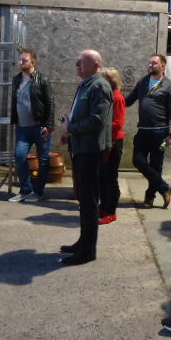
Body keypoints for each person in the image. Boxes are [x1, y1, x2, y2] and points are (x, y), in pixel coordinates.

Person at [59, 50, 112, 265]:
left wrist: (71, 129)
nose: (76, 64)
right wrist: (68, 131)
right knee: (84, 199)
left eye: (81, 61)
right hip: (81, 148)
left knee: (89, 201)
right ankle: (83, 242)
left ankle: (88, 251)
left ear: (95, 65)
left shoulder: (100, 86)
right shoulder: (86, 84)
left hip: (90, 151)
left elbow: (97, 121)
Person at [125, 54, 171, 209]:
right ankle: (164, 187)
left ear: (163, 66)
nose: (150, 65)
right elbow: (129, 100)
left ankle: (150, 197)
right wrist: (114, 101)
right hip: (143, 131)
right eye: (150, 63)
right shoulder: (143, 82)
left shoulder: (169, 86)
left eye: (154, 63)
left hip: (160, 132)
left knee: (156, 166)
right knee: (138, 161)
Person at [8, 48, 55, 203]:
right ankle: (25, 189)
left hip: (40, 127)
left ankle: (38, 192)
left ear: (33, 62)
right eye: (20, 60)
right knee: (19, 156)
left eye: (24, 60)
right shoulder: (16, 79)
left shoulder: (42, 79)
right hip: (22, 128)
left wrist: (49, 125)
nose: (20, 62)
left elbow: (50, 102)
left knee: (43, 160)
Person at [98, 68, 125, 224]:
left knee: (110, 178)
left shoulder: (117, 98)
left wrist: (100, 125)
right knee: (102, 177)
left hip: (114, 142)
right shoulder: (107, 96)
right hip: (105, 141)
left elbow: (118, 123)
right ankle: (103, 207)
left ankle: (111, 211)